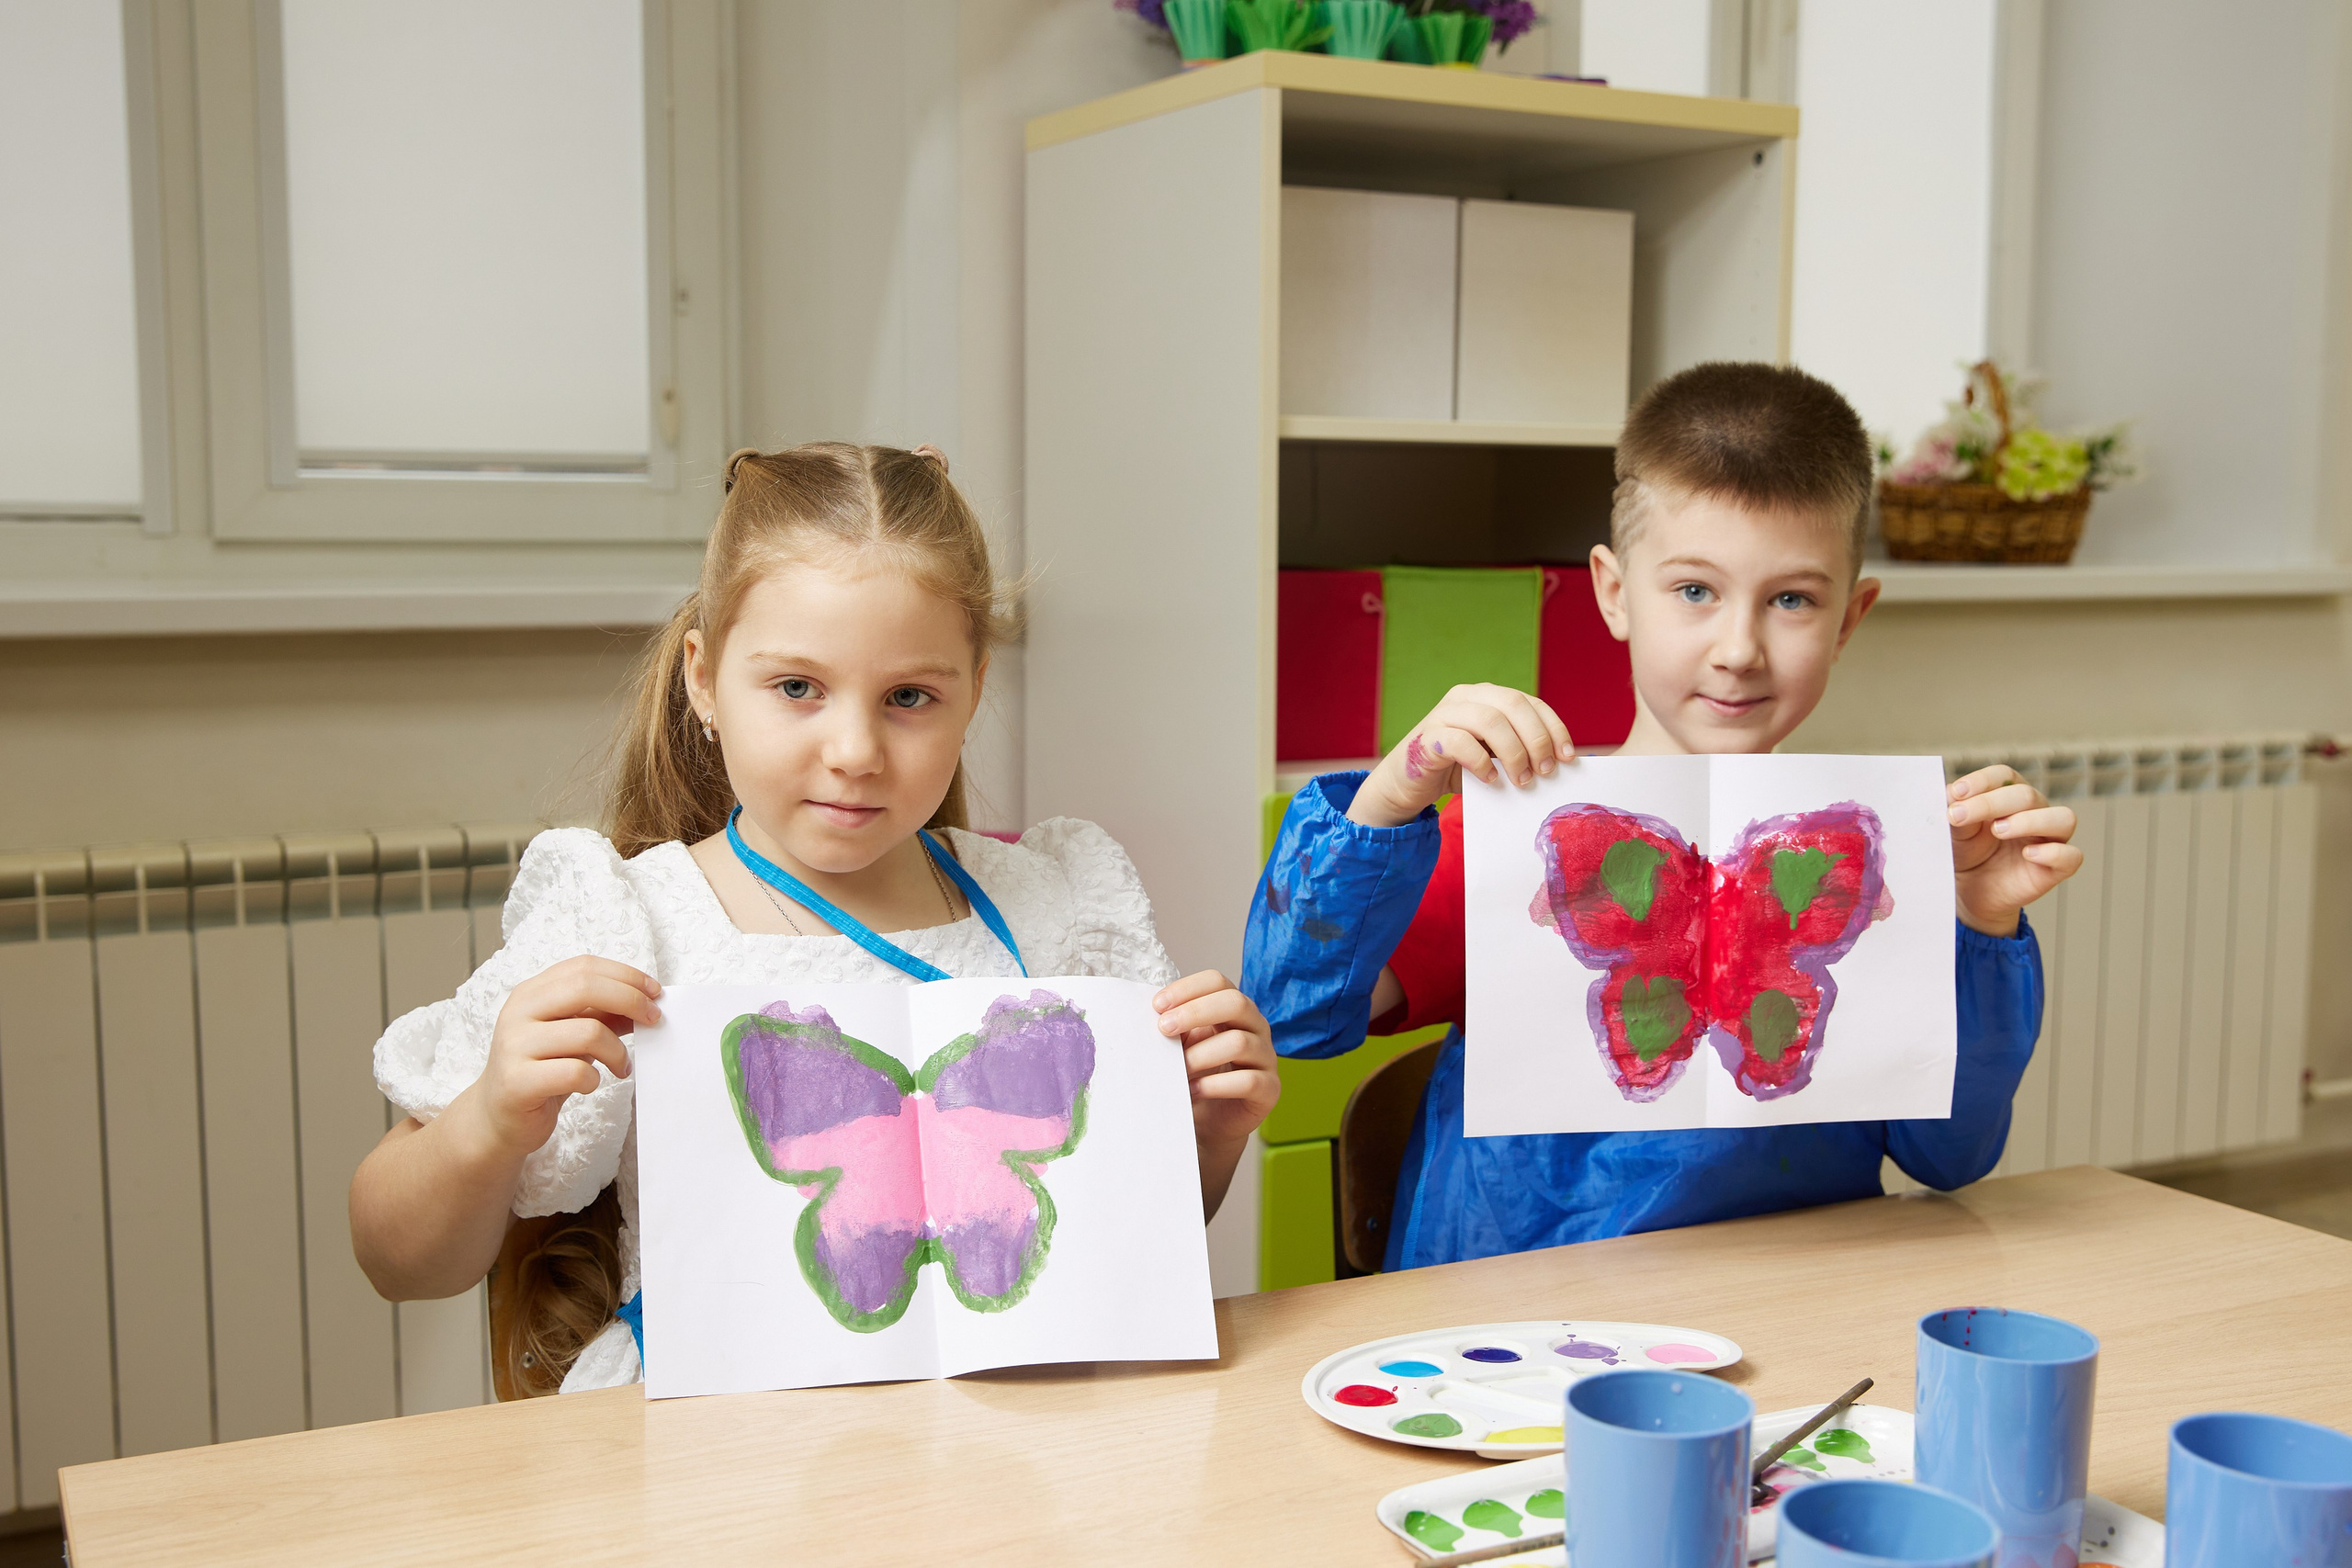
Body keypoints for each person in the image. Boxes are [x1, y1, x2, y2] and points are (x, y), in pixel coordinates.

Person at [350, 442, 1279, 1393]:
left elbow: (1099, 1237)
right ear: (704, 681)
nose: (854, 750)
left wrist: (1204, 1134)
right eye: (796, 688)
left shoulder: (1054, 907)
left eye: (908, 697)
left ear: (974, 692)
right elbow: (397, 1259)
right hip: (720, 1465)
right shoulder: (627, 920)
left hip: (1010, 1454)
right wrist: (491, 1121)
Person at [1244, 363, 2081, 1270]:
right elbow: (1293, 1014)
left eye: (1791, 599)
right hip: (1516, 1337)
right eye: (1693, 591)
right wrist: (1391, 795)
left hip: (1802, 1318)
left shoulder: (1867, 872)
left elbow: (1947, 1156)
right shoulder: (1519, 848)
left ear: (1849, 618)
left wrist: (1978, 925)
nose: (1737, 650)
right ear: (1611, 591)